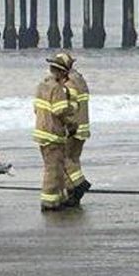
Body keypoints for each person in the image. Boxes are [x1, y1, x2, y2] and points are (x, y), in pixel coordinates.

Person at [34, 56, 78, 212]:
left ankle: (59, 197)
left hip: (42, 132)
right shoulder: (57, 88)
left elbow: (36, 109)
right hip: (53, 134)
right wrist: (71, 117)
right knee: (53, 169)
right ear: (60, 72)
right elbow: (59, 111)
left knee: (57, 168)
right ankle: (49, 202)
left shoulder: (42, 85)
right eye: (65, 74)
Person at [52, 53, 92, 203]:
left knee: (64, 159)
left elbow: (67, 108)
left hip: (73, 128)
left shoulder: (69, 84)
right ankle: (74, 194)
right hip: (83, 127)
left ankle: (79, 184)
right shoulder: (80, 80)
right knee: (74, 160)